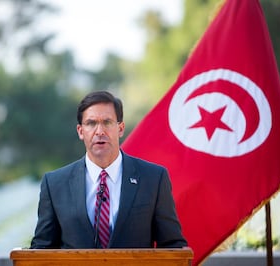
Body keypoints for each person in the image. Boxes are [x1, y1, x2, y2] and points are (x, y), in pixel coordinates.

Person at [30, 90, 187, 249]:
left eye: (107, 122)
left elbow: (172, 246)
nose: (100, 131)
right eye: (91, 123)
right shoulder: (55, 184)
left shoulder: (154, 179)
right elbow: (41, 248)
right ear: (80, 131)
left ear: (120, 128)